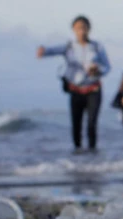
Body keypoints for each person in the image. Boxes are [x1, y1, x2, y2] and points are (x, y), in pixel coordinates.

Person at [38, 16, 111, 153]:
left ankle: (92, 154)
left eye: (84, 28)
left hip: (93, 89)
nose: (81, 31)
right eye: (78, 28)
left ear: (89, 29)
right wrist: (43, 51)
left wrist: (98, 70)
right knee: (76, 125)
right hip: (75, 90)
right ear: (73, 30)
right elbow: (52, 51)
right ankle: (77, 155)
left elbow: (107, 67)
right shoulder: (69, 47)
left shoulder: (96, 47)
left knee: (91, 124)